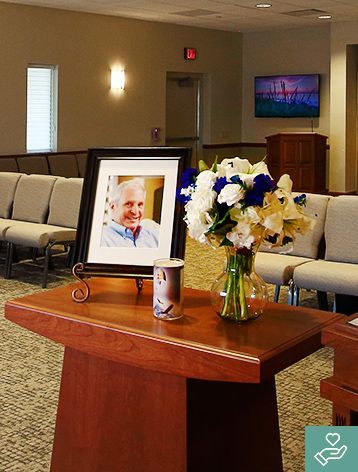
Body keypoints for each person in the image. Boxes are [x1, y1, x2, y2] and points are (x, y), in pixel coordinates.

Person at [101, 179, 159, 248]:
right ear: (113, 206)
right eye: (128, 204)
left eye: (140, 204)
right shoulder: (101, 239)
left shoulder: (152, 234)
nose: (135, 211)